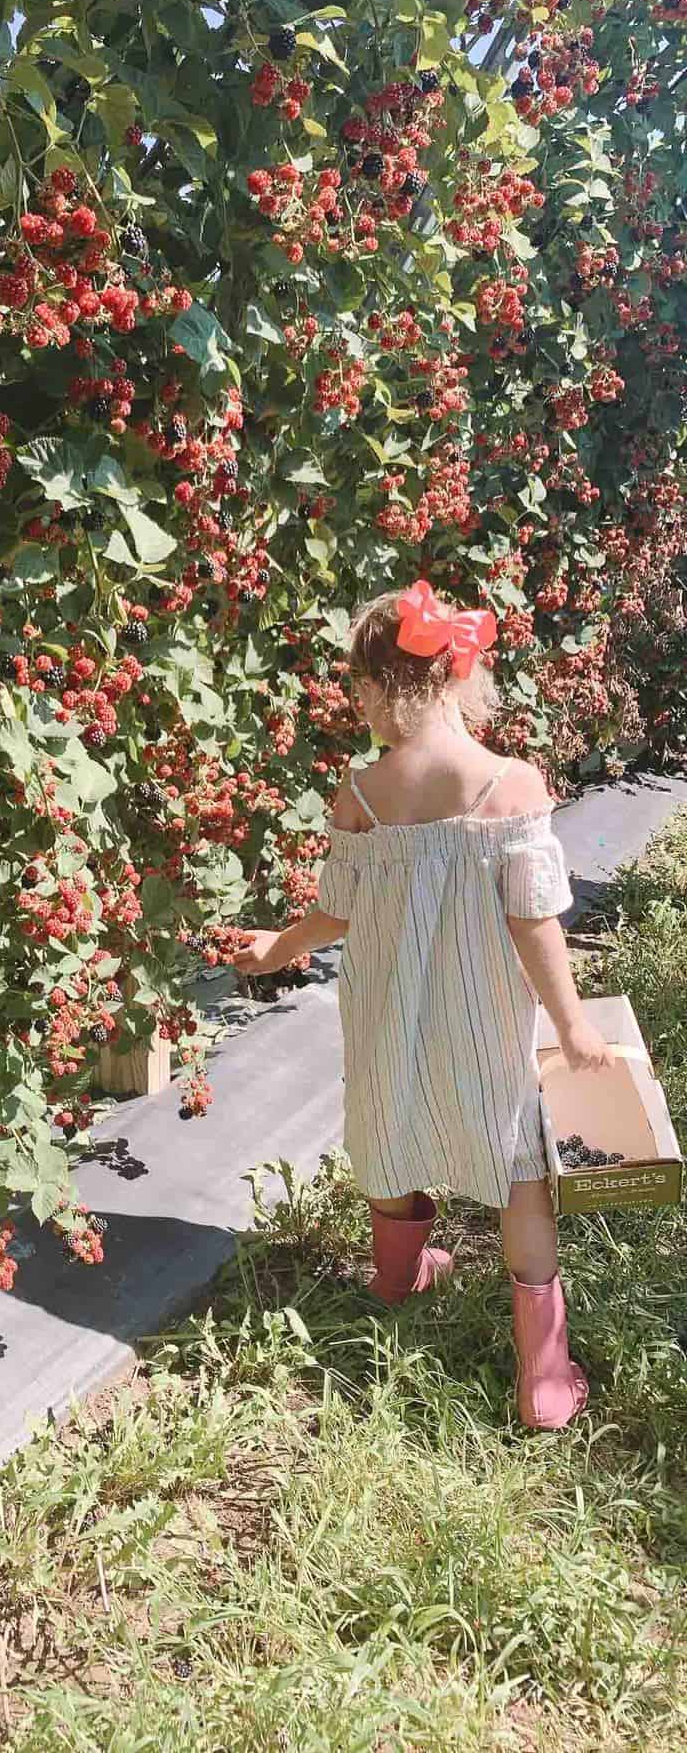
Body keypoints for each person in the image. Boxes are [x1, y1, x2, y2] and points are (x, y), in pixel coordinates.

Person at [229, 581, 614, 1429]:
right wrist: (572, 1024)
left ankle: (395, 1276)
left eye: (356, 688)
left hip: (387, 1009)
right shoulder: (508, 785)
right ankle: (544, 1378)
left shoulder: (362, 795)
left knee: (390, 1125)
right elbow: (534, 923)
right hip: (482, 1018)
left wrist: (275, 948)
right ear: (458, 679)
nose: (357, 705)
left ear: (375, 688)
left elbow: (337, 911)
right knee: (520, 1176)